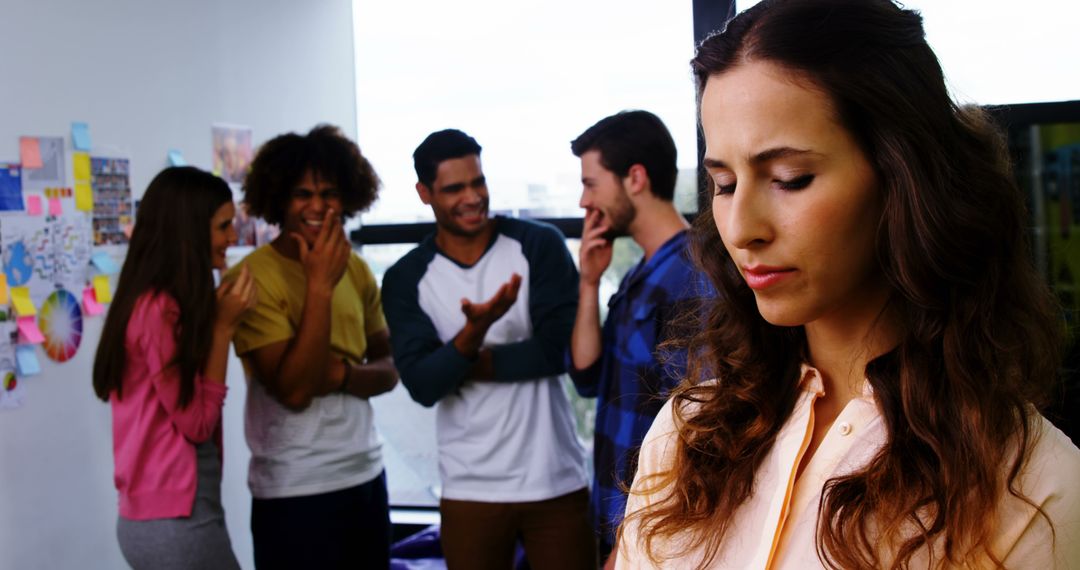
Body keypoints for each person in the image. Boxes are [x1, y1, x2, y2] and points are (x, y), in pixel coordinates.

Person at [618, 0, 1080, 568]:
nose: (741, 230)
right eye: (725, 182)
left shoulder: (1030, 488)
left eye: (791, 179)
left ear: (905, 176)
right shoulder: (687, 435)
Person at [382, 129, 594, 570]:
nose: (473, 197)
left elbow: (558, 350)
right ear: (425, 194)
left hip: (553, 478)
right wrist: (473, 332)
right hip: (469, 488)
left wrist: (458, 359)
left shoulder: (538, 244)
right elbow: (422, 386)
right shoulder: (406, 278)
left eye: (477, 182)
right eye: (454, 188)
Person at [227, 124, 399, 568]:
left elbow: (389, 368)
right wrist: (319, 285)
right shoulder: (251, 279)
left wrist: (341, 375)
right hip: (292, 489)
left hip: (364, 473)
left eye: (329, 192)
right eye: (302, 193)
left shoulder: (358, 270)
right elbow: (297, 390)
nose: (318, 206)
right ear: (279, 199)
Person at [567, 110, 712, 566]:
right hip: (620, 521)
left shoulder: (692, 276)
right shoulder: (640, 274)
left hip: (652, 529)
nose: (583, 201)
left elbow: (697, 429)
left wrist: (635, 534)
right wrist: (589, 283)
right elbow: (588, 377)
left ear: (634, 178)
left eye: (592, 183)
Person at [93, 166, 256, 570]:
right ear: (189, 232)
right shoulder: (157, 310)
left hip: (164, 520)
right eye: (223, 226)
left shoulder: (155, 304)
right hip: (175, 527)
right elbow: (197, 423)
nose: (233, 238)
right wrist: (222, 329)